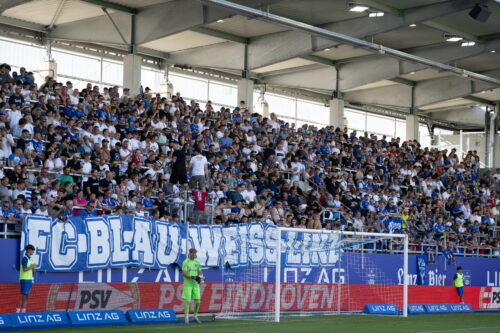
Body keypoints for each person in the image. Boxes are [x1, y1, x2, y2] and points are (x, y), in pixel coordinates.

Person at [182, 248, 203, 324]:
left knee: (198, 302)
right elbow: (184, 273)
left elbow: (199, 271)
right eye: (193, 254)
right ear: (189, 253)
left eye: (195, 254)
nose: (194, 255)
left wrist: (201, 277)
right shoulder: (185, 262)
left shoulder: (197, 261)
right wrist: (193, 277)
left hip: (195, 284)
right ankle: (186, 318)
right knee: (188, 301)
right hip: (188, 284)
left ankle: (195, 316)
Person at [17, 244, 36, 313]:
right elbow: (25, 269)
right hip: (24, 280)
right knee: (23, 296)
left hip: (29, 280)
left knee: (27, 296)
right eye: (32, 251)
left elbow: (32, 272)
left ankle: (24, 311)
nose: (33, 252)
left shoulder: (30, 259)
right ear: (29, 250)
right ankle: (17, 311)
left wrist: (33, 268)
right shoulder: (25, 258)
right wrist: (31, 267)